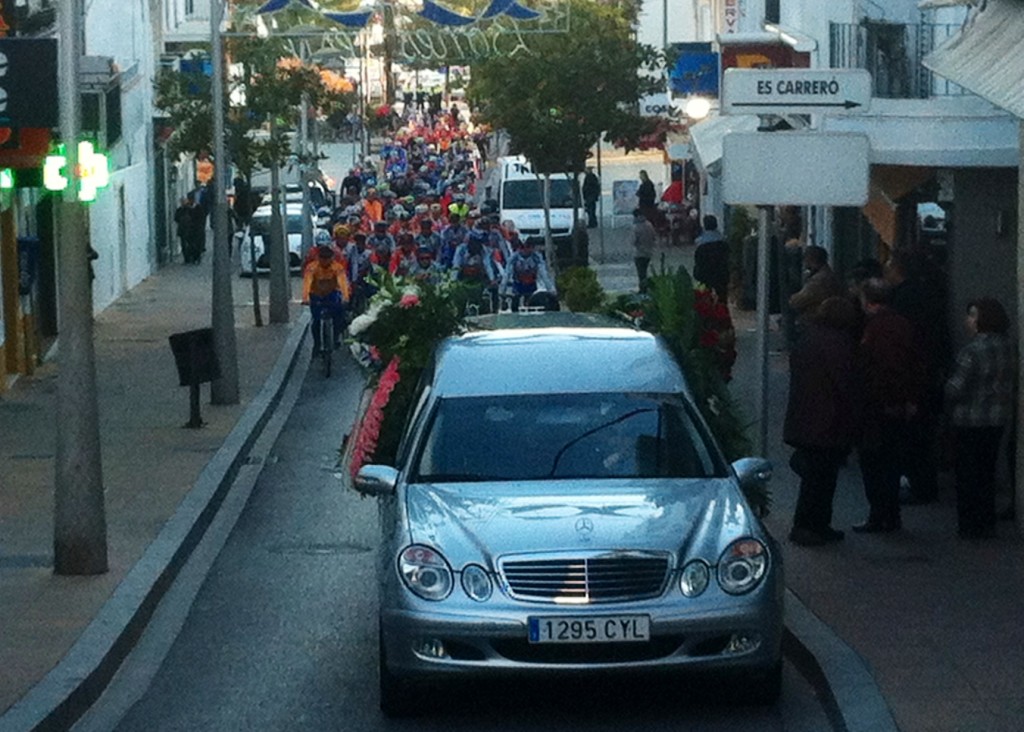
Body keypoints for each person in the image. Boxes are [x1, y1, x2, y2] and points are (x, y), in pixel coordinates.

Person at [784, 297, 860, 546]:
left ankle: (814, 524)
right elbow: (845, 380)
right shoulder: (838, 342)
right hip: (828, 419)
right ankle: (809, 525)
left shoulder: (809, 338)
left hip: (807, 415)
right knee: (821, 476)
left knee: (816, 475)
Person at [853, 278, 927, 534]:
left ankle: (879, 514)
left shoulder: (875, 328)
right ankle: (891, 514)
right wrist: (911, 399)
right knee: (892, 462)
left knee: (873, 463)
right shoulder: (904, 324)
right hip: (899, 405)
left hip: (877, 405)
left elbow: (877, 368)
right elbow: (915, 364)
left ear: (867, 300)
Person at [945, 297, 1016, 539]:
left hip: (970, 418)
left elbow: (956, 388)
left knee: (967, 474)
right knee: (987, 471)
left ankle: (970, 524)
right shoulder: (1009, 347)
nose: (968, 320)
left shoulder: (972, 350)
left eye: (972, 315)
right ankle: (987, 521)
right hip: (997, 418)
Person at [302, 244, 351, 357]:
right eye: (322, 258)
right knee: (316, 321)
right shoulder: (311, 267)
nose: (325, 261)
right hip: (316, 295)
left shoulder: (337, 267)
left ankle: (336, 336)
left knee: (338, 314)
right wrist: (305, 298)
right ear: (318, 258)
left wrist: (345, 297)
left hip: (331, 294)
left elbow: (343, 282)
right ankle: (317, 344)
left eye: (327, 258)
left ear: (332, 258)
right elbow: (307, 282)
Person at [788, 245, 845, 329]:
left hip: (819, 323)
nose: (804, 261)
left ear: (811, 259)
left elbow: (799, 300)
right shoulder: (826, 275)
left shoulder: (820, 280)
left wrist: (789, 299)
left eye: (805, 258)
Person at [500, 239, 556, 311]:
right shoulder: (513, 258)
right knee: (515, 304)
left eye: (528, 247)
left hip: (531, 284)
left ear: (532, 248)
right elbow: (507, 274)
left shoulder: (537, 257)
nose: (525, 250)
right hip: (518, 284)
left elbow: (544, 274)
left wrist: (551, 290)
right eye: (522, 247)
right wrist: (502, 291)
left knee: (531, 305)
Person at [693, 214, 729, 302]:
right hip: (721, 273)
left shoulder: (700, 243)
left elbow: (698, 260)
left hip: (705, 274)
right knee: (722, 296)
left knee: (705, 295)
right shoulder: (723, 241)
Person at [631, 208, 657, 293]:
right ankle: (645, 287)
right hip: (649, 252)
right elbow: (654, 237)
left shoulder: (636, 227)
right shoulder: (649, 224)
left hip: (639, 253)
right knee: (645, 270)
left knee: (641, 273)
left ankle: (642, 289)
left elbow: (633, 241)